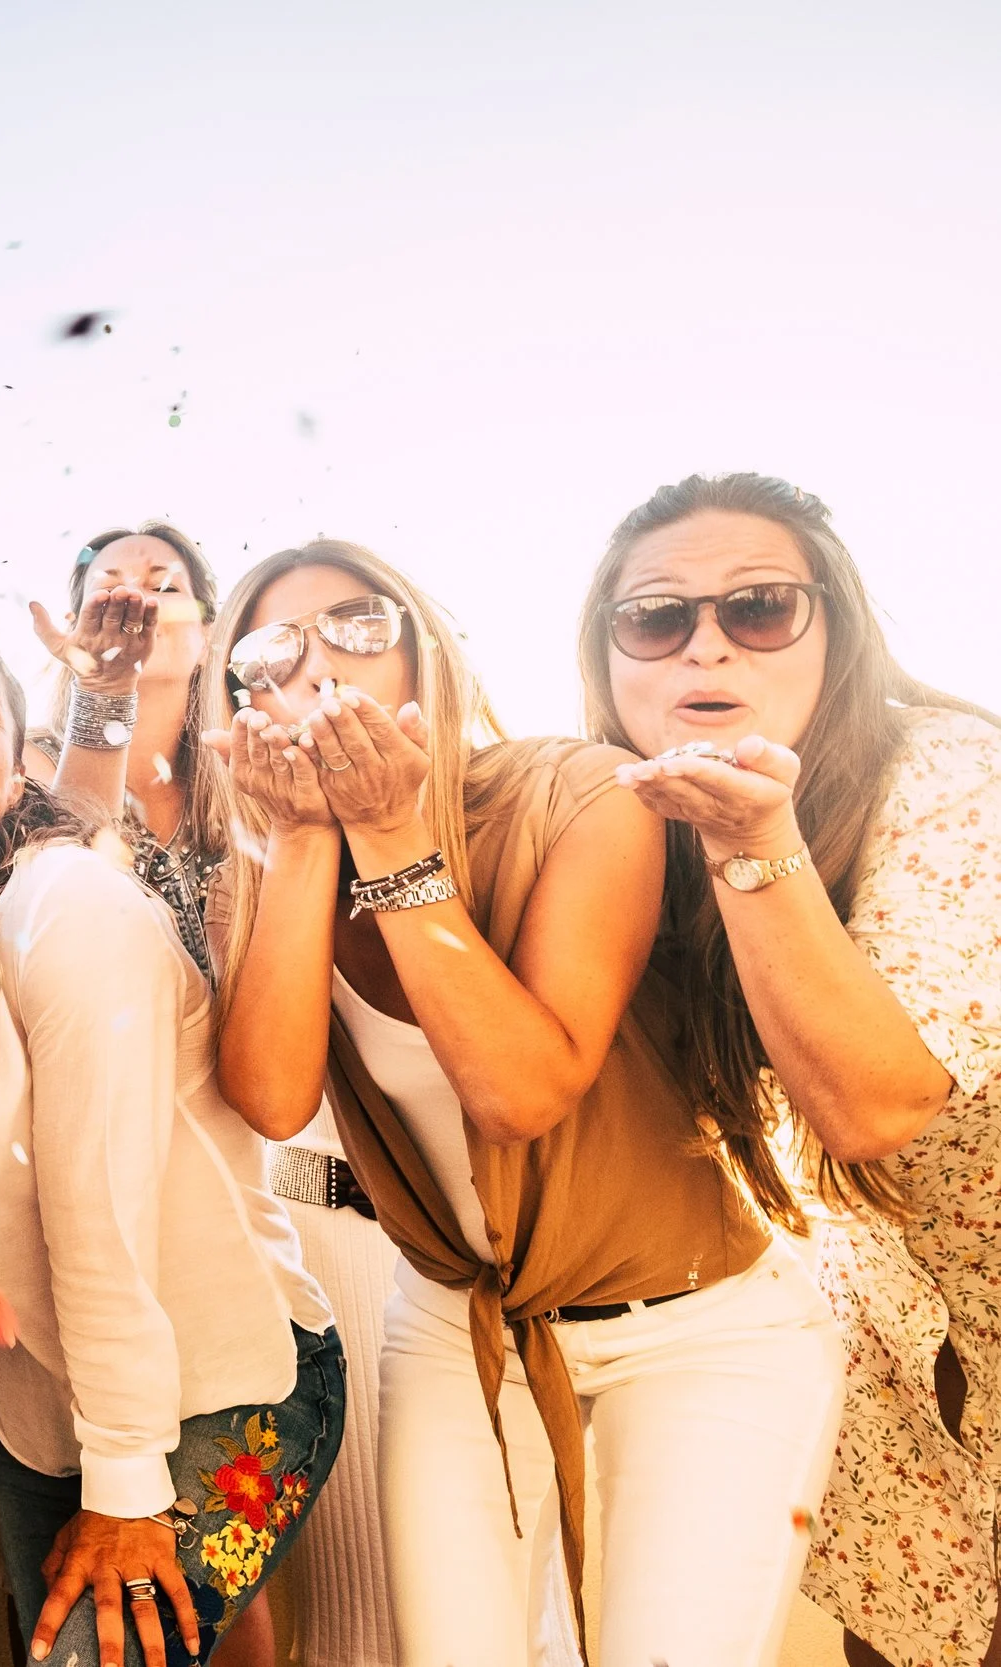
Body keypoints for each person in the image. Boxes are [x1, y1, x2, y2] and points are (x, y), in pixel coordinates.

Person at [206, 539, 844, 1666]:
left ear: (426, 650)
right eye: (270, 647)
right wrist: (306, 838)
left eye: (359, 625)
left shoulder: (581, 791)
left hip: (696, 1327)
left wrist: (393, 838)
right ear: (240, 697)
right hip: (458, 1318)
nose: (319, 664)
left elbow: (521, 1090)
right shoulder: (251, 874)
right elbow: (268, 1095)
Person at [0, 617, 342, 1667]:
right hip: (43, 1409)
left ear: (16, 762)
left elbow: (98, 1206)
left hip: (230, 1377)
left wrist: (124, 1481)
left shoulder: (67, 908)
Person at [576, 473, 1001, 1667]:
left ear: (836, 629)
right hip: (892, 1365)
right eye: (654, 619)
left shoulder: (952, 774)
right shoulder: (619, 823)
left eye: (759, 607)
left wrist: (755, 844)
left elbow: (876, 1100)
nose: (704, 641)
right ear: (610, 661)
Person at [33, 522, 400, 1666]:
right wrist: (98, 701)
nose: (136, 603)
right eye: (109, 587)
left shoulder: (255, 780)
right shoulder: (44, 767)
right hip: (92, 1230)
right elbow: (56, 846)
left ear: (216, 635)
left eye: (165, 585)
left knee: (276, 1598)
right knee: (103, 1592)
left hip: (277, 1206)